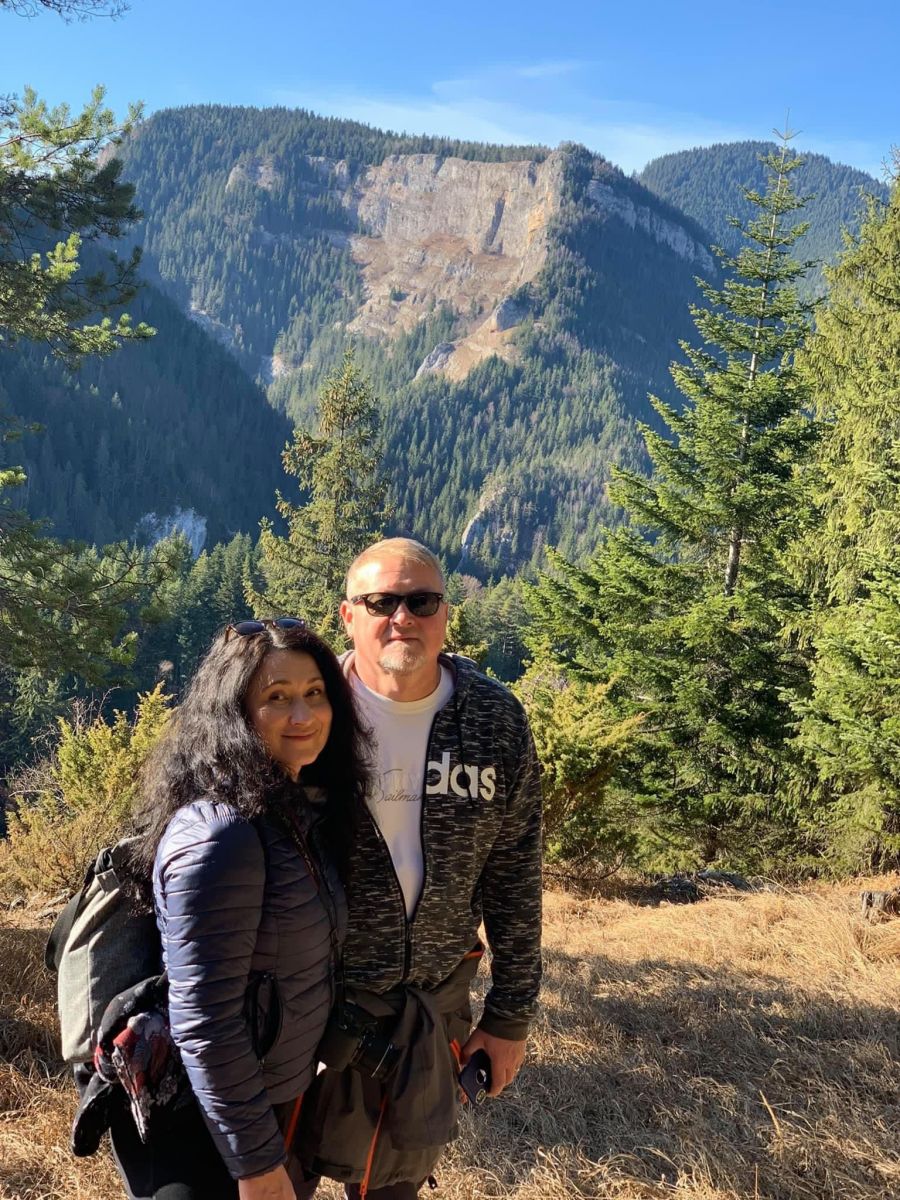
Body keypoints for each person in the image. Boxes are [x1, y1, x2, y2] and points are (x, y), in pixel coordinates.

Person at [297, 539, 543, 1198]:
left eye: (422, 602)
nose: (402, 617)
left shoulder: (493, 721)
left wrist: (510, 1016)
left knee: (392, 1188)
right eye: (381, 602)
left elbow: (516, 875)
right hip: (300, 1011)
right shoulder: (307, 711)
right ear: (348, 616)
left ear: (444, 615)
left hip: (425, 1020)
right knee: (272, 1183)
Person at [108, 617, 369, 1200]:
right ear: (234, 714)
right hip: (208, 1131)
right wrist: (256, 1165)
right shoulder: (221, 835)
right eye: (276, 698)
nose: (303, 715)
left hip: (264, 1104)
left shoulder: (292, 811)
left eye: (315, 693)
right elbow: (206, 1021)